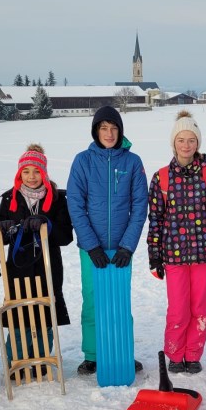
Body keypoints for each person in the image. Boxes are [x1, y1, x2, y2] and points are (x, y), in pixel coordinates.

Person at [67, 105, 148, 375]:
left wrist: (127, 245)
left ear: (120, 130)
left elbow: (140, 205)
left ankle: (122, 350)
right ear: (95, 131)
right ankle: (92, 354)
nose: (109, 133)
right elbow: (76, 205)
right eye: (104, 128)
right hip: (92, 248)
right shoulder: (83, 161)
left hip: (122, 246)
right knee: (92, 299)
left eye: (113, 128)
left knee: (120, 300)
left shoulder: (132, 162)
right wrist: (91, 245)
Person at [146, 110, 206, 374]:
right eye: (181, 140)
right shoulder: (162, 177)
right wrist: (154, 254)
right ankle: (175, 352)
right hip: (173, 255)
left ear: (198, 143)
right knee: (179, 308)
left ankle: (193, 353)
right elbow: (156, 219)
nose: (186, 145)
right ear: (174, 143)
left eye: (191, 140)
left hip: (204, 254)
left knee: (199, 307)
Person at [0, 144, 73, 368]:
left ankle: (40, 360)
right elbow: (1, 234)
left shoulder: (57, 199)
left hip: (48, 266)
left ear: (44, 173)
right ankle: (17, 362)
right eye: (26, 172)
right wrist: (5, 227)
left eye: (36, 171)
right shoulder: (10, 198)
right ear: (19, 174)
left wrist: (47, 225)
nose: (31, 177)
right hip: (18, 267)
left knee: (44, 316)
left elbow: (66, 235)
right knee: (19, 316)